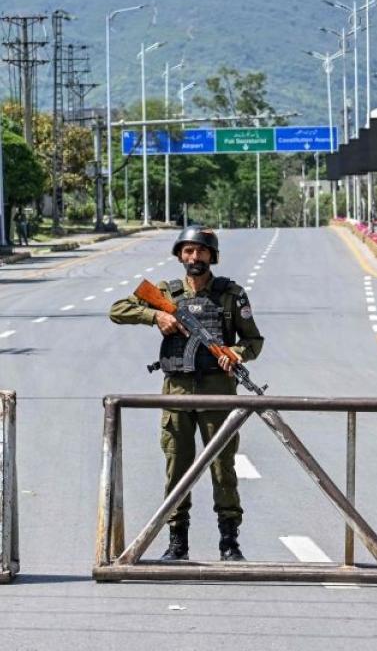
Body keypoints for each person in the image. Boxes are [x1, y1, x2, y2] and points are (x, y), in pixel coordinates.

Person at [109, 226, 264, 562]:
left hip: (218, 391)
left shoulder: (230, 295)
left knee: (222, 466)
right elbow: (117, 310)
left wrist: (236, 353)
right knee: (176, 466)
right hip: (176, 390)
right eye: (188, 251)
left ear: (213, 255)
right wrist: (156, 315)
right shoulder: (166, 292)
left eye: (201, 251)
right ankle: (177, 541)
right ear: (180, 255)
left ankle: (229, 541)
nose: (195, 258)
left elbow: (254, 341)